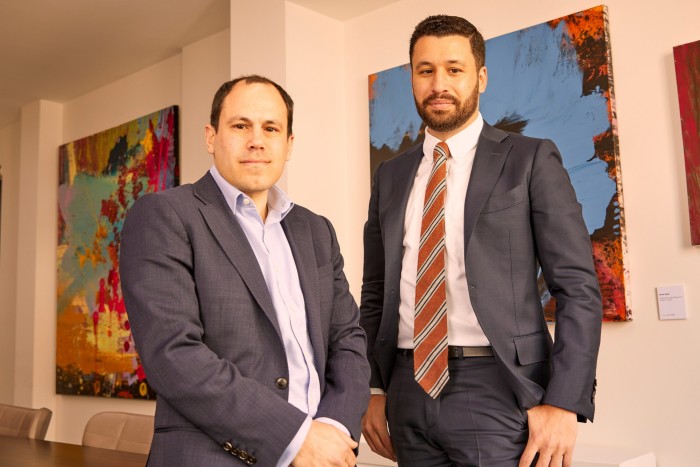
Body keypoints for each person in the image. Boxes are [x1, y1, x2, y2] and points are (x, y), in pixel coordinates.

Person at [360, 15, 602, 467]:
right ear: (412, 77)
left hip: (499, 386)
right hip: (406, 387)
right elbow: (375, 292)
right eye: (425, 70)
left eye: (454, 69)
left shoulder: (529, 159)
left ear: (481, 77)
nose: (439, 83)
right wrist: (373, 387)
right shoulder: (390, 176)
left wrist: (564, 401)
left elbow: (577, 288)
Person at [120, 75, 370, 467]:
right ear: (211, 136)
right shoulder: (165, 216)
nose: (257, 140)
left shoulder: (316, 230)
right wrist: (295, 439)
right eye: (241, 126)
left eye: (271, 128)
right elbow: (173, 354)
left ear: (288, 145)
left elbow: (348, 341)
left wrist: (334, 430)